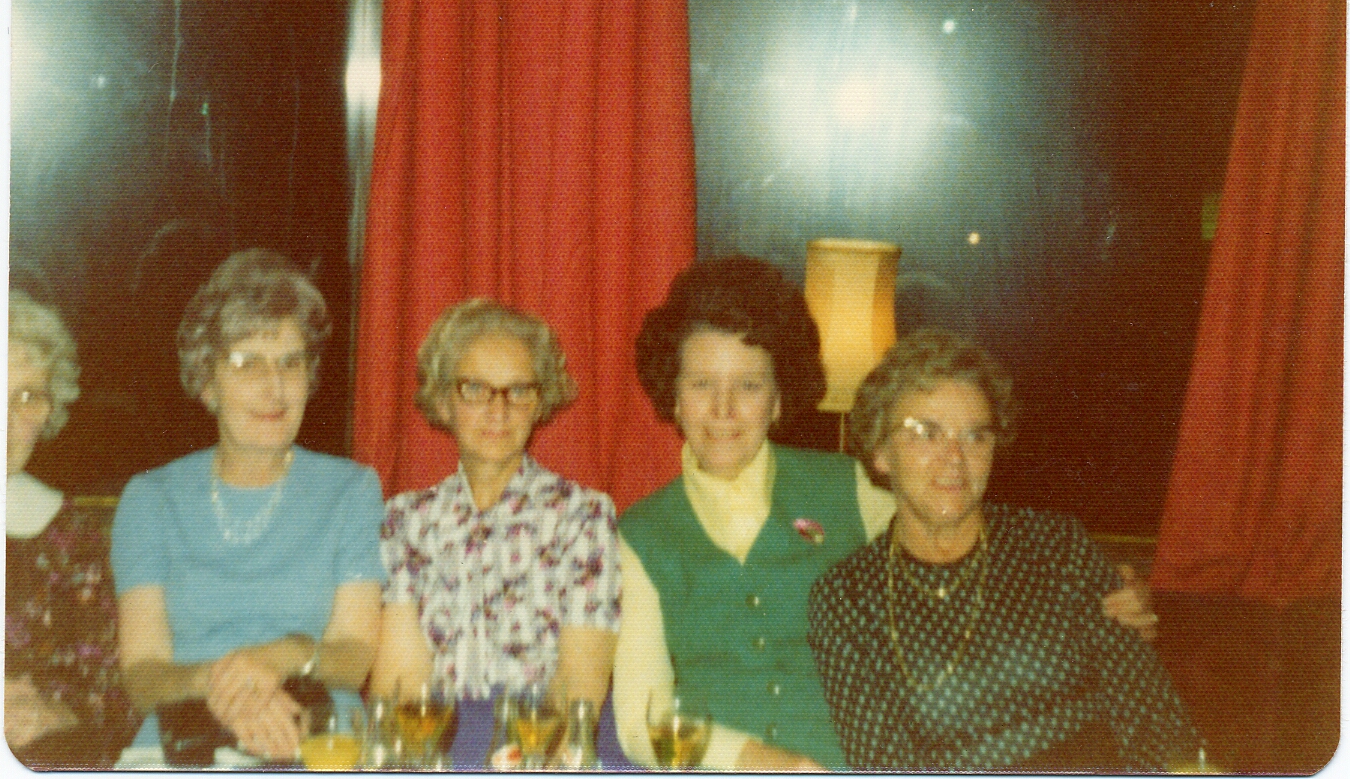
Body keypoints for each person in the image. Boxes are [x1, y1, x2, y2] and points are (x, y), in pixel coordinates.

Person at [614, 256, 1160, 771]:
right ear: (674, 397)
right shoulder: (640, 533)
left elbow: (961, 530)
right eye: (702, 385)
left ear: (778, 400)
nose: (723, 409)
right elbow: (643, 722)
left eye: (749, 386)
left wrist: (1108, 589)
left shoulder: (846, 485)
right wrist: (769, 763)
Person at [808, 328, 1200, 770]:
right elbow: (884, 764)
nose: (955, 457)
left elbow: (1152, 712)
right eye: (927, 433)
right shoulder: (848, 598)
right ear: (880, 450)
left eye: (975, 436)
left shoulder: (1056, 546)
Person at [110, 250, 385, 761]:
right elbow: (143, 676)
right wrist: (230, 692)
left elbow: (354, 657)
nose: (274, 387)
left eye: (290, 363)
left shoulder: (351, 490)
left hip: (318, 732)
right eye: (247, 363)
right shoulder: (150, 499)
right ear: (207, 382)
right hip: (184, 736)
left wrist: (281, 657)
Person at [370, 298, 621, 713]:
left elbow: (580, 682)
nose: (498, 410)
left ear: (539, 402)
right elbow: (401, 679)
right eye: (475, 389)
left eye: (518, 391)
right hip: (438, 732)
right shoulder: (406, 520)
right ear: (444, 400)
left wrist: (534, 749)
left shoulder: (582, 516)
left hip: (542, 731)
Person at [6, 291, 140, 767]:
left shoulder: (69, 535)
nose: (5, 422)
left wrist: (56, 714)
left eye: (27, 398)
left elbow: (117, 694)